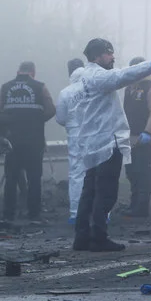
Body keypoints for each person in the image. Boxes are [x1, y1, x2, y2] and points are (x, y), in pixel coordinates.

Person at [72, 39, 151, 252]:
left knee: (89, 192)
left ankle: (82, 237)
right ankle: (98, 237)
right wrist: (150, 65)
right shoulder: (99, 77)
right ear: (97, 56)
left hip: (91, 143)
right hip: (106, 143)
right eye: (109, 53)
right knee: (105, 192)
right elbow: (121, 76)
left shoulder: (81, 77)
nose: (113, 57)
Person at [0, 61, 56, 222]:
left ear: (18, 71)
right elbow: (51, 110)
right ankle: (34, 214)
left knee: (11, 178)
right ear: (33, 72)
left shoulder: (5, 87)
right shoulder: (40, 87)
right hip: (34, 141)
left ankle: (8, 214)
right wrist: (36, 121)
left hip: (11, 141)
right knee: (34, 178)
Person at [123, 57, 151, 218]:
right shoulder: (129, 87)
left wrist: (148, 132)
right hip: (129, 137)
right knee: (131, 172)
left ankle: (142, 207)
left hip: (143, 137)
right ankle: (134, 204)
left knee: (142, 171)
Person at [55, 58, 86, 224]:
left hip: (75, 135)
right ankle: (102, 213)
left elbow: (60, 118)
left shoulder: (65, 92)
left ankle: (75, 213)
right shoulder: (96, 88)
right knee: (97, 173)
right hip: (96, 135)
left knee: (76, 174)